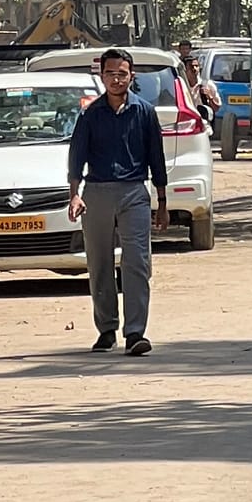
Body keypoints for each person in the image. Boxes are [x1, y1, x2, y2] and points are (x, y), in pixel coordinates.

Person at [68, 47, 169, 355]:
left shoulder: (144, 112)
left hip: (134, 192)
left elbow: (157, 159)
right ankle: (107, 328)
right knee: (99, 263)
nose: (116, 79)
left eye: (121, 74)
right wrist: (74, 194)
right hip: (97, 193)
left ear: (131, 76)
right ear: (102, 76)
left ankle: (136, 332)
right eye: (110, 74)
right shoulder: (90, 114)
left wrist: (162, 202)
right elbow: (77, 158)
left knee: (137, 262)